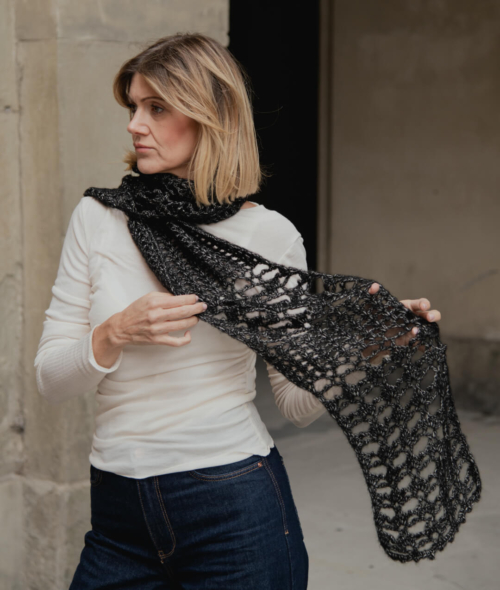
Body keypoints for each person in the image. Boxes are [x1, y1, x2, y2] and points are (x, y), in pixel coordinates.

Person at [34, 33, 442, 590]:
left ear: (211, 116)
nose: (135, 125)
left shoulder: (267, 236)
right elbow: (50, 380)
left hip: (235, 507)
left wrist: (366, 349)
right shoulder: (98, 217)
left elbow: (295, 403)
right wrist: (115, 332)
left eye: (157, 108)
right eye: (133, 107)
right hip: (118, 513)